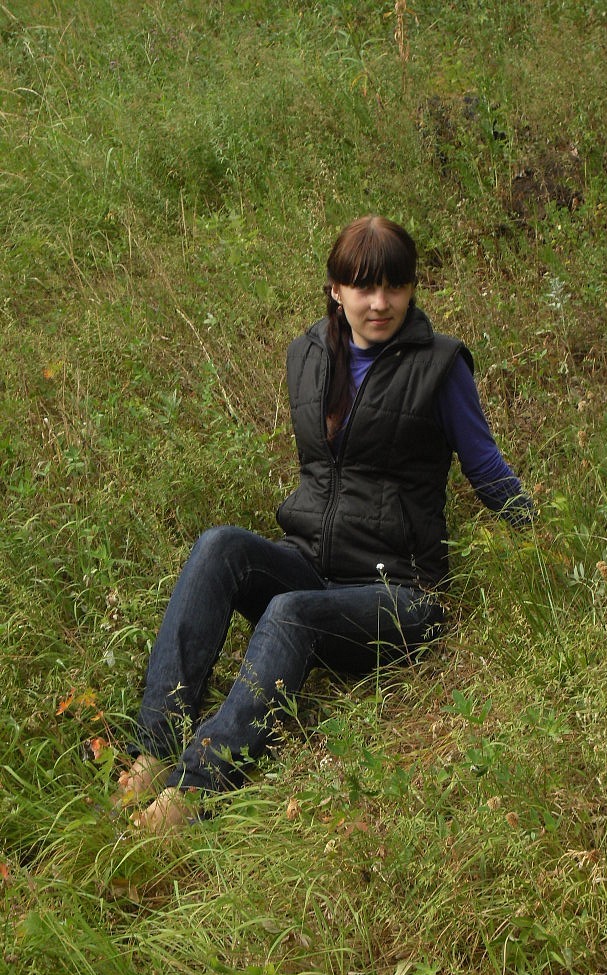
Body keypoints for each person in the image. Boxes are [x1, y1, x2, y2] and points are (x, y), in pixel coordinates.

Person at [116, 215, 533, 832]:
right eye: (364, 286)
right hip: (310, 562)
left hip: (399, 592)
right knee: (220, 546)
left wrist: (542, 540)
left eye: (395, 286)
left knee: (292, 612)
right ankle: (153, 750)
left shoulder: (440, 367)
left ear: (412, 288)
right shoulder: (308, 355)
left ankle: (194, 790)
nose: (380, 303)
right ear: (336, 290)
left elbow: (487, 468)